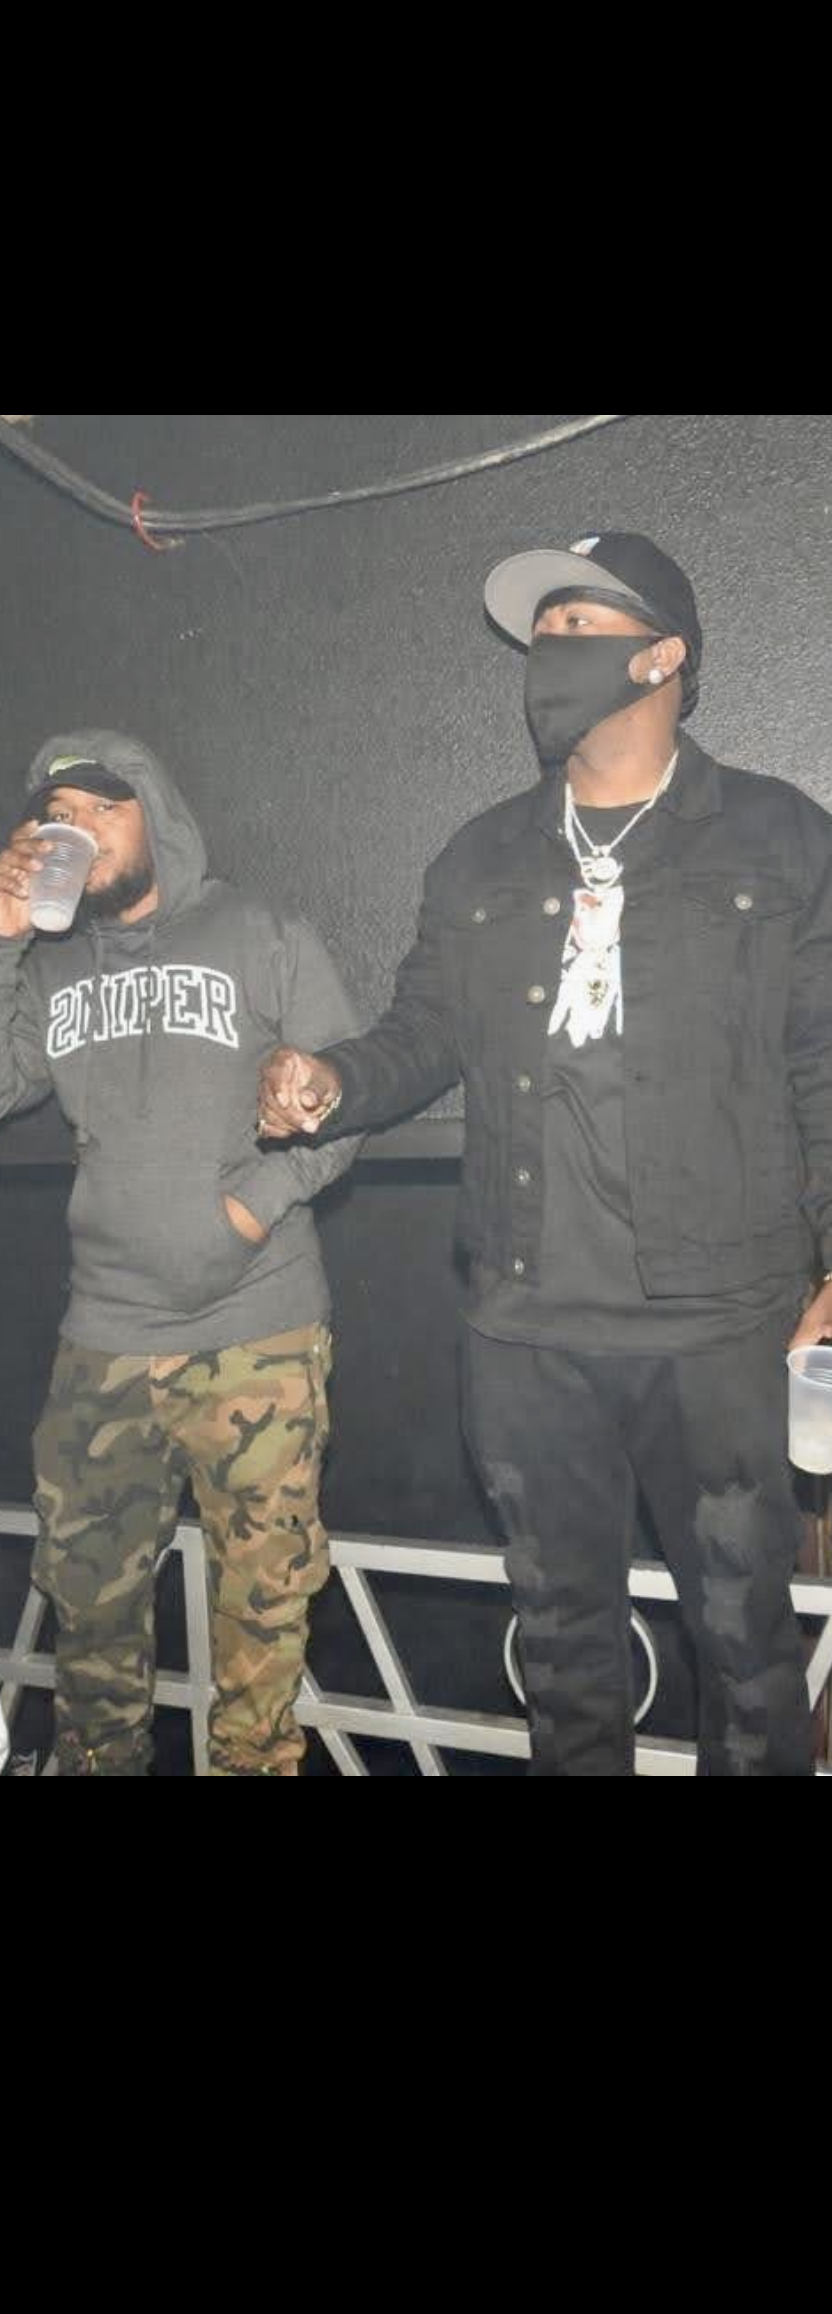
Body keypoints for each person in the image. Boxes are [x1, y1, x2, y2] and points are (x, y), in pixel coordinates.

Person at [257, 532, 832, 1775]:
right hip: (526, 1330)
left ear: (662, 656)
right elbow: (423, 1034)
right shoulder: (481, 857)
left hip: (718, 1325)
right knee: (563, 1663)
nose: (546, 652)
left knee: (748, 1661)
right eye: (541, 632)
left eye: (577, 626)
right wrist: (334, 1082)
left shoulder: (781, 839)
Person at [0, 730, 363, 1774]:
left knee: (262, 1634)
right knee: (90, 1632)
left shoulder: (260, 930)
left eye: (99, 809)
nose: (74, 830)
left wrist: (241, 1216)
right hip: (102, 1340)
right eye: (55, 816)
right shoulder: (50, 966)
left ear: (153, 814)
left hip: (256, 1331)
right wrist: (4, 936)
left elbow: (342, 1107)